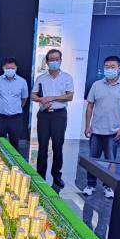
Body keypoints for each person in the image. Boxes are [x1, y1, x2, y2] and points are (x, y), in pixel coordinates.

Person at [82, 56, 120, 198]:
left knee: (111, 160)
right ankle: (90, 184)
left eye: (112, 67)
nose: (109, 69)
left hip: (114, 131)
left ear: (119, 68)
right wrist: (87, 126)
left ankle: (108, 186)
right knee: (93, 159)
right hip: (96, 130)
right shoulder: (96, 85)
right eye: (106, 66)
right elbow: (90, 106)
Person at [32, 49, 74, 188]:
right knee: (42, 146)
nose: (54, 62)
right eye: (51, 59)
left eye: (56, 59)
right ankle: (40, 175)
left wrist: (52, 98)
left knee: (57, 146)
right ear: (47, 61)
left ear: (60, 60)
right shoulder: (41, 78)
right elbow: (33, 95)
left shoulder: (67, 77)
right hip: (44, 115)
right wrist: (42, 99)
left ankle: (56, 175)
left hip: (59, 115)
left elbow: (70, 96)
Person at [0, 57, 30, 154]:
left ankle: (14, 162)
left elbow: (24, 98)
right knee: (0, 143)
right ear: (3, 68)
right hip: (0, 117)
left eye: (12, 68)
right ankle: (0, 160)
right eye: (7, 68)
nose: (10, 70)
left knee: (15, 143)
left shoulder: (22, 81)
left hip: (16, 117)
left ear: (16, 68)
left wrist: (18, 108)